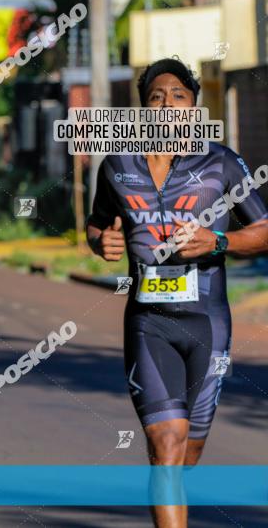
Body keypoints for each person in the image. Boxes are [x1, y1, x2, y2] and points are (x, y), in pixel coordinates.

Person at [86, 58, 268, 528]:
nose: (167, 106)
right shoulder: (117, 164)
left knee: (188, 450)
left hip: (208, 324)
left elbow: (265, 229)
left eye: (178, 97)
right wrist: (99, 240)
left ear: (194, 106)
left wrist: (219, 241)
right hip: (148, 323)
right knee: (167, 443)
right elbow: (98, 222)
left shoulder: (222, 163)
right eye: (155, 98)